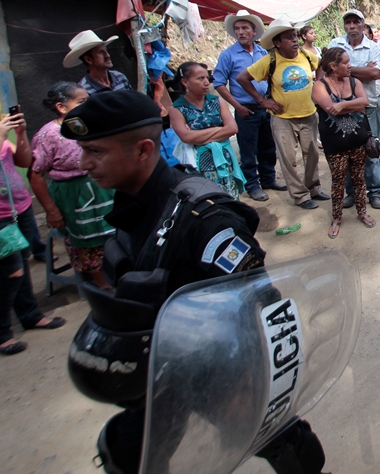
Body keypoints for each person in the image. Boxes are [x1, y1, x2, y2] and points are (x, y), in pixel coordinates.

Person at [62, 90, 325, 474]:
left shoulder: (204, 219)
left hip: (217, 371)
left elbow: (259, 302)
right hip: (159, 369)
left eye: (95, 152)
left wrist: (246, 387)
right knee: (131, 453)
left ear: (143, 150)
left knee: (275, 439)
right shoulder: (133, 206)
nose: (84, 163)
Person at [0, 92, 64, 355]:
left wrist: (20, 133)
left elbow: (24, 161)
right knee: (11, 272)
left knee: (24, 263)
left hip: (20, 207)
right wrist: (1, 137)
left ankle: (30, 315)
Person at [236, 19, 330, 209]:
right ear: (277, 43)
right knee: (288, 158)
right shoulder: (269, 60)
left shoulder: (306, 55)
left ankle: (313, 188)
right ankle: (300, 195)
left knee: (311, 154)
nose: (294, 40)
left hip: (308, 114)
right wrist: (262, 101)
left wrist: (318, 85)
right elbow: (242, 78)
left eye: (294, 36)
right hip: (282, 118)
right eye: (288, 38)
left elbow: (321, 66)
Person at [29, 82, 115, 289]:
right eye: (82, 101)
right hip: (74, 195)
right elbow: (35, 174)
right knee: (89, 238)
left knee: (112, 231)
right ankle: (102, 284)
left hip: (101, 188)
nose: (88, 105)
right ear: (61, 107)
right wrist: (51, 211)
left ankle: (117, 271)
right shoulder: (48, 136)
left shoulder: (88, 124)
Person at [213, 11, 282, 202]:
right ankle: (252, 185)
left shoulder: (263, 53)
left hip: (266, 107)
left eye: (245, 28)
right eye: (237, 29)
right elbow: (219, 83)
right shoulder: (228, 55)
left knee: (268, 147)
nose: (240, 32)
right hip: (246, 109)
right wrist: (236, 106)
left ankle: (269, 179)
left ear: (253, 32)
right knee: (248, 150)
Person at [312, 48, 377, 238]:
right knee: (338, 182)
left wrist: (342, 105)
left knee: (359, 179)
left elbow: (365, 102)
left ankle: (362, 212)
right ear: (333, 66)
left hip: (358, 141)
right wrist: (351, 104)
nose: (350, 66)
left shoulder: (354, 81)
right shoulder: (319, 85)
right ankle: (337, 218)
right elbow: (330, 109)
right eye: (345, 63)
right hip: (334, 145)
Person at [329, 9, 380, 210]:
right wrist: (363, 69)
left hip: (367, 106)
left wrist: (346, 69)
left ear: (363, 24)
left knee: (371, 150)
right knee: (346, 153)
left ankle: (375, 192)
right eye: (348, 23)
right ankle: (352, 193)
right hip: (342, 109)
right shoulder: (335, 44)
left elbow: (376, 73)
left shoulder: (373, 47)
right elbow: (329, 73)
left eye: (355, 22)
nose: (351, 26)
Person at [168, 62, 245, 199]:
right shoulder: (177, 109)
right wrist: (219, 130)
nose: (206, 82)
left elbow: (232, 128)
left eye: (207, 78)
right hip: (199, 163)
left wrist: (197, 136)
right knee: (209, 199)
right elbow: (186, 137)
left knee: (231, 197)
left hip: (224, 160)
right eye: (200, 78)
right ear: (185, 82)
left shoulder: (217, 101)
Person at [64, 30, 133, 95]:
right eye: (100, 52)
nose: (107, 55)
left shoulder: (120, 77)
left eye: (106, 51)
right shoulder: (84, 91)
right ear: (88, 59)